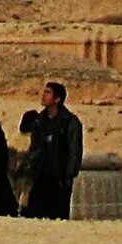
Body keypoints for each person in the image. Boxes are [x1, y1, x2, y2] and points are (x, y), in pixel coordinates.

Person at [18, 81, 83, 219]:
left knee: (58, 216)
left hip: (59, 178)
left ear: (57, 99)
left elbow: (74, 151)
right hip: (40, 176)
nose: (43, 95)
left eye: (48, 92)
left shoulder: (70, 122)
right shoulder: (39, 122)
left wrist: (68, 176)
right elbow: (34, 148)